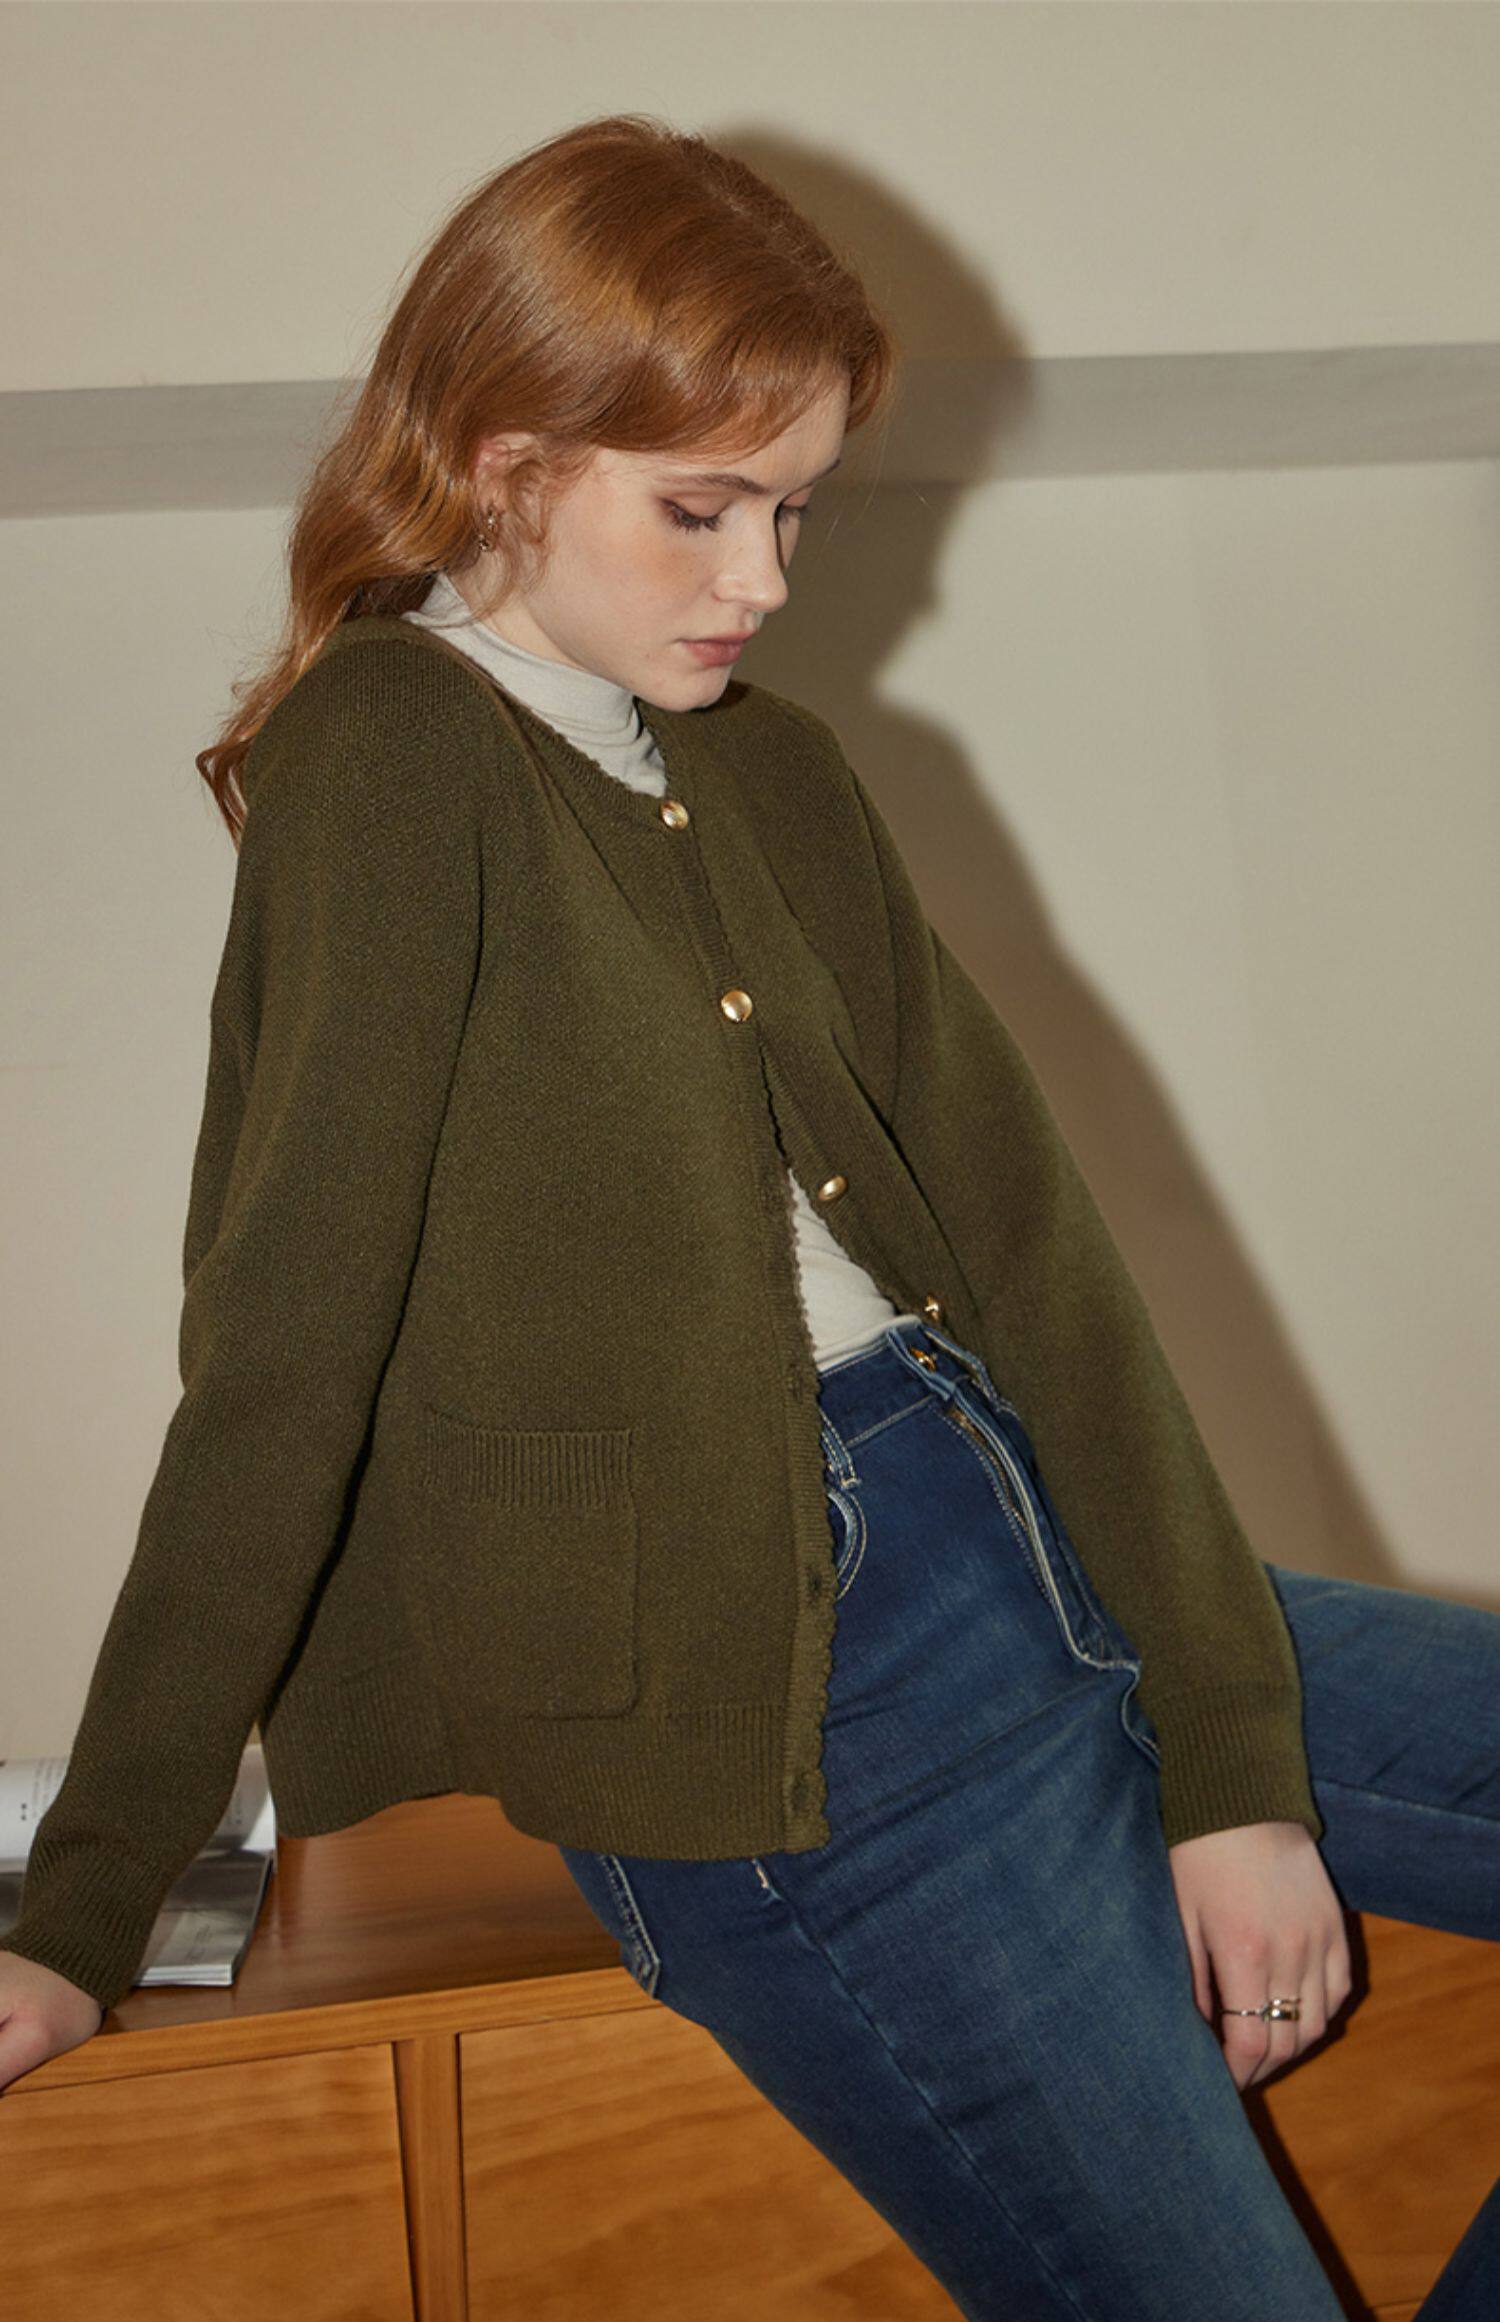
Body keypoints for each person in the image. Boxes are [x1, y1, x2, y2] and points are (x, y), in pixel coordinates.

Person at [2, 111, 1496, 2318]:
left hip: (1032, 1536)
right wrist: (84, 1896)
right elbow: (285, 1353)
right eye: (700, 507)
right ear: (503, 461)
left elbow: (1039, 1259)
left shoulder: (772, 768)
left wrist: (1231, 1748)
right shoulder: (393, 752)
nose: (765, 576)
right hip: (815, 1746)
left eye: (791, 508)